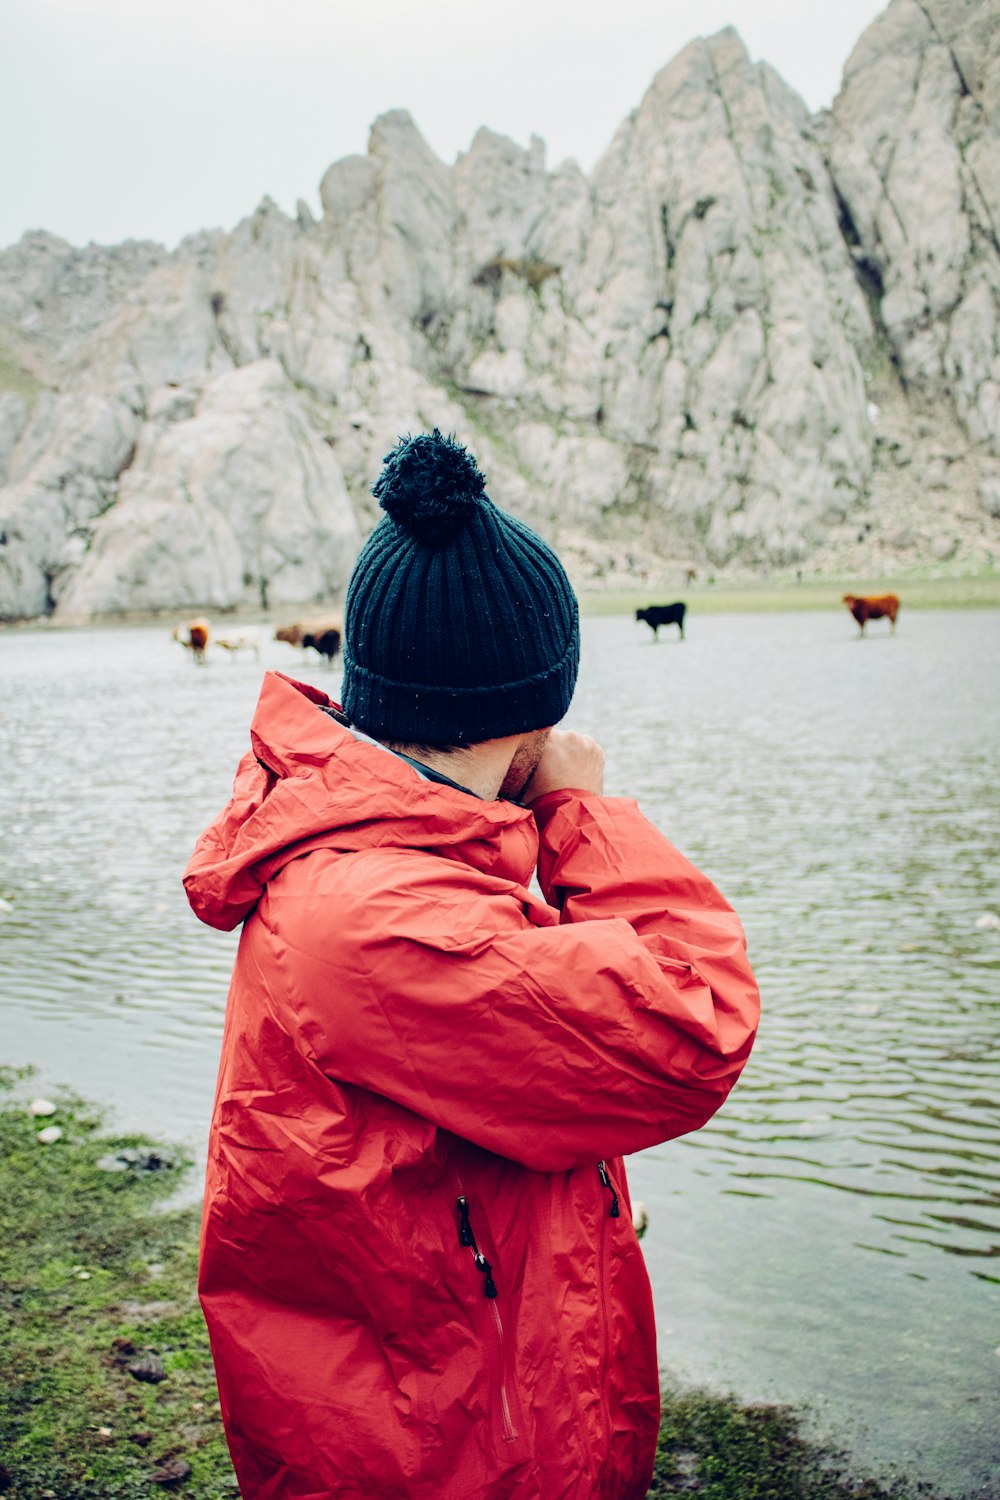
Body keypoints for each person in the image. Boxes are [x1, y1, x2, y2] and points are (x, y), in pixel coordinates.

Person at [184, 430, 760, 1500]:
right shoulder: (390, 918)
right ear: (534, 699)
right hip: (437, 1450)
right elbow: (695, 1026)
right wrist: (582, 813)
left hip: (438, 1406)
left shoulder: (381, 853)